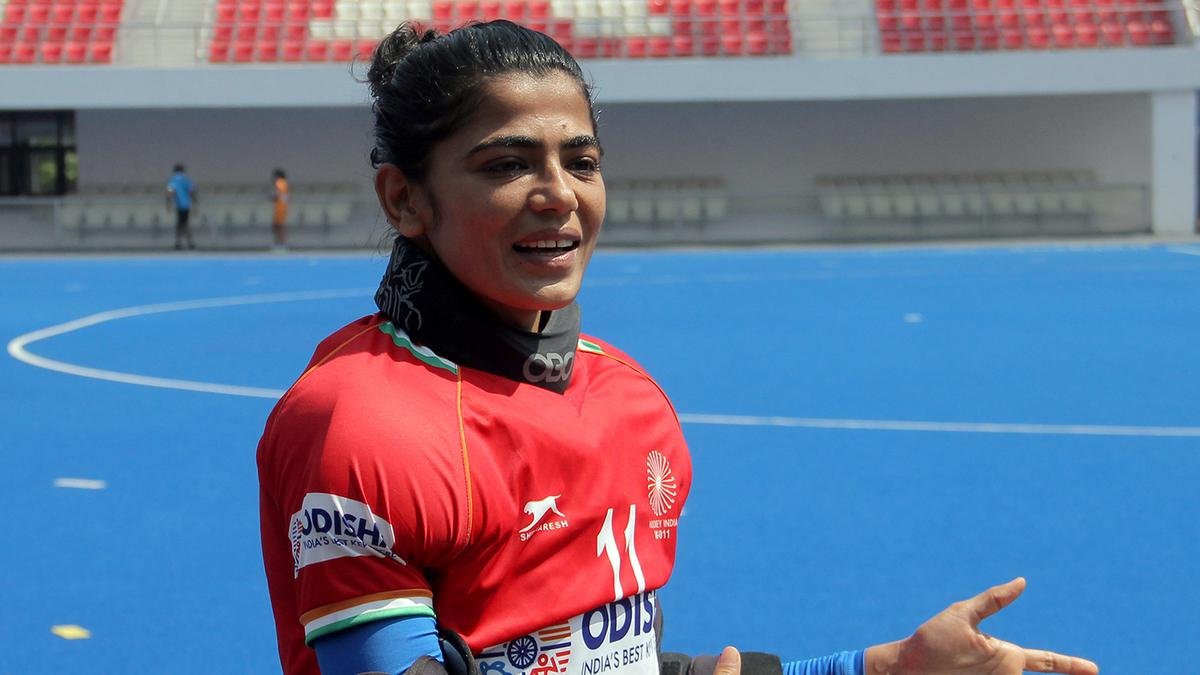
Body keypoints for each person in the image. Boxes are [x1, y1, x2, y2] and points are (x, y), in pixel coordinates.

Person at [257, 20, 1100, 675]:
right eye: (507, 164)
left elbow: (622, 662)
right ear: (403, 199)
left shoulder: (630, 400)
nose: (558, 194)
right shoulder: (361, 425)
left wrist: (880, 666)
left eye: (581, 161)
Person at [165, 163, 196, 250]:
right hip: (186, 205)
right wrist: (195, 202)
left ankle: (179, 242)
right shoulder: (186, 179)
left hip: (179, 205)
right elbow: (191, 191)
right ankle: (189, 242)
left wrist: (168, 203)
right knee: (184, 223)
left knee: (180, 224)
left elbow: (170, 191)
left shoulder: (173, 180)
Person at [271, 168, 290, 250]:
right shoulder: (285, 183)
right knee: (278, 226)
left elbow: (277, 195)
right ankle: (280, 242)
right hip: (282, 207)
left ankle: (281, 243)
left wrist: (272, 197)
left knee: (279, 226)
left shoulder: (280, 183)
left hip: (280, 208)